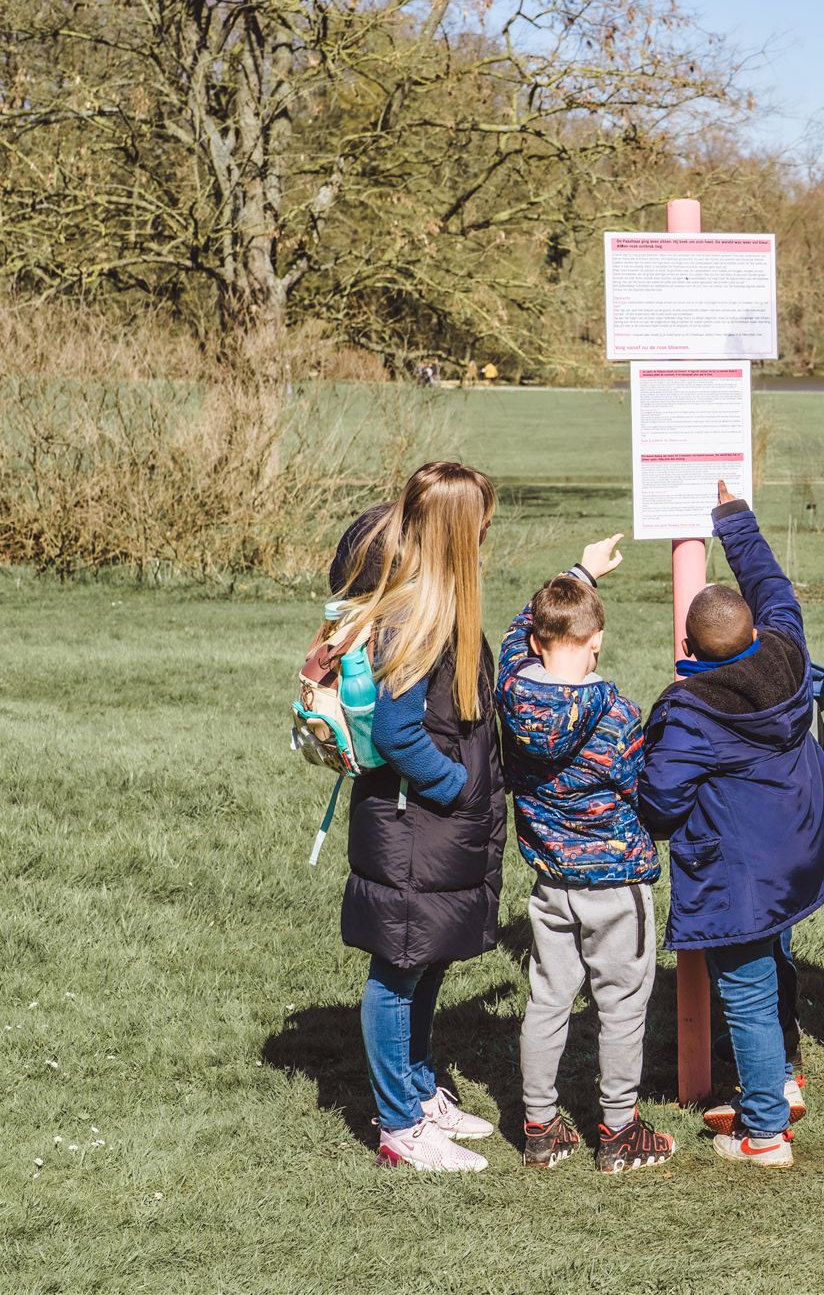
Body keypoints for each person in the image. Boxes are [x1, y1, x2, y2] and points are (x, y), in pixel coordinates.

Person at [638, 482, 824, 1167]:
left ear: (689, 643)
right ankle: (781, 1073)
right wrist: (734, 518)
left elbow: (659, 801)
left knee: (743, 988)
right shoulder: (788, 651)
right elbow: (772, 585)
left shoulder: (691, 711)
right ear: (752, 629)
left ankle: (766, 1130)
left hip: (737, 871)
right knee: (774, 960)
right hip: (794, 851)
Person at [326, 461, 505, 1172]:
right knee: (397, 970)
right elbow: (401, 731)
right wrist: (456, 784)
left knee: (426, 958)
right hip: (414, 822)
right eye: (482, 519)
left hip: (428, 824)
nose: (490, 528)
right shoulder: (420, 613)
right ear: (460, 530)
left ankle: (420, 1090)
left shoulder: (438, 595)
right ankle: (400, 1124)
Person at [496, 540, 679, 1175]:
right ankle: (619, 1130)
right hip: (616, 882)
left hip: (551, 881)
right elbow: (649, 792)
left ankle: (540, 1127)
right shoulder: (617, 715)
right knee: (622, 1005)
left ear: (540, 643)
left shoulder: (512, 690)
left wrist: (577, 573)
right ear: (596, 641)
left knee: (548, 998)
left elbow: (518, 630)